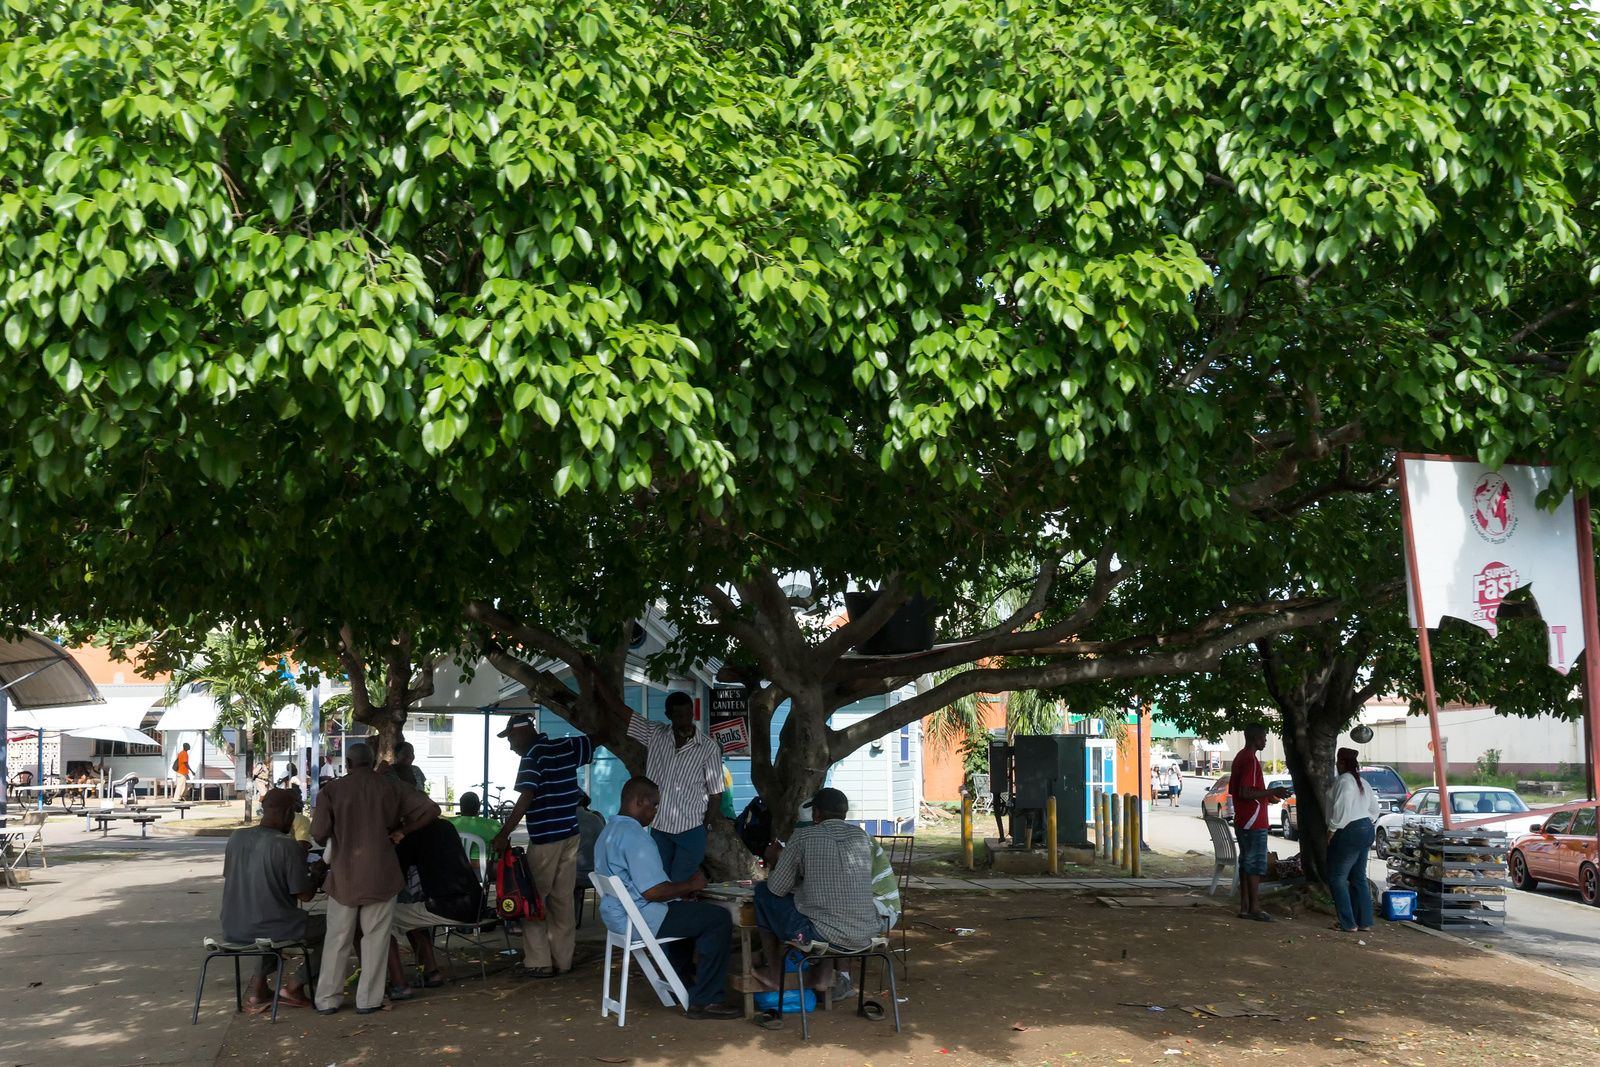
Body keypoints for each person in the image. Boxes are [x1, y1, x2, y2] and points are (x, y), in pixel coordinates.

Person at [593, 777, 741, 1019]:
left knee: (687, 913)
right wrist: (691, 884)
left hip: (619, 917)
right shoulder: (635, 836)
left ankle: (682, 986)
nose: (655, 813)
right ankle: (707, 1001)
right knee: (718, 919)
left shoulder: (608, 831)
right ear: (640, 801)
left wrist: (681, 891)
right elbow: (653, 892)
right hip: (641, 917)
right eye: (654, 805)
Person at [310, 742, 440, 1015]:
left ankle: (327, 1000)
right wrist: (402, 831)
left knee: (338, 939)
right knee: (376, 938)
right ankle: (368, 1000)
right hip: (382, 873)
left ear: (347, 763)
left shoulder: (331, 790)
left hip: (344, 876)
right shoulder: (392, 787)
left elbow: (319, 835)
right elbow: (431, 810)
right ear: (371, 762)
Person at [489, 712, 596, 979]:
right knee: (562, 902)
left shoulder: (532, 757)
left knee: (530, 901)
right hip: (570, 835)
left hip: (546, 838)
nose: (510, 746)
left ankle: (539, 962)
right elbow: (597, 739)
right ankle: (563, 961)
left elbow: (526, 797)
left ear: (522, 733)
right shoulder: (566, 746)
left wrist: (504, 833)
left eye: (510, 739)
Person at [752, 788, 881, 994]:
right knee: (823, 910)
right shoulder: (861, 837)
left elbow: (777, 889)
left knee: (763, 893)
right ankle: (821, 979)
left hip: (824, 934)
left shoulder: (804, 835)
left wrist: (775, 861)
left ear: (816, 813)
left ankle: (775, 973)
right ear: (845, 814)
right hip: (866, 933)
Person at [220, 788, 324, 1011]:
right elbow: (305, 895)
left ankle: (259, 990)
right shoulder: (287, 845)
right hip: (271, 927)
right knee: (339, 926)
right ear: (288, 813)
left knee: (267, 916)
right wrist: (315, 874)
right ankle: (295, 985)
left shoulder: (236, 837)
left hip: (233, 927)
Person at [604, 691, 723, 881]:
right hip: (660, 827)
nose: (685, 720)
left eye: (688, 714)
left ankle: (682, 910)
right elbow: (621, 710)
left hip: (691, 829)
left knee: (681, 881)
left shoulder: (708, 748)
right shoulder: (655, 734)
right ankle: (667, 912)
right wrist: (593, 671)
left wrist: (704, 827)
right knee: (660, 880)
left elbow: (716, 794)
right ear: (668, 716)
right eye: (678, 715)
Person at [384, 817, 483, 999]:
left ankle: (399, 984)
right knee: (412, 909)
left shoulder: (411, 834)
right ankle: (431, 972)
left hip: (449, 907)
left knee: (380, 919)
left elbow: (396, 875)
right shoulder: (445, 825)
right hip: (475, 903)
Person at [1228, 724, 1292, 923]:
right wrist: (1272, 792)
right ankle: (1254, 907)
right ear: (1255, 738)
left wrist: (1267, 797)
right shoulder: (1250, 760)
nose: (1265, 741)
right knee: (1255, 863)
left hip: (1244, 818)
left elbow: (1237, 790)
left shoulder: (1240, 757)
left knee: (1246, 862)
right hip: (1254, 819)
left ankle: (1246, 907)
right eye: (1263, 738)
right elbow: (1244, 792)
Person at [1326, 747, 1381, 933]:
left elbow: (1342, 808)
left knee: (1337, 879)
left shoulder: (1344, 781)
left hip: (1348, 830)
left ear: (1341, 763)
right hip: (1366, 828)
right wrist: (1365, 821)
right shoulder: (1362, 782)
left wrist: (1332, 829)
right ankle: (1365, 922)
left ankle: (1348, 923)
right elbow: (1375, 810)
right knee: (1358, 877)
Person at [446, 791, 503, 867]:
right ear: (479, 807)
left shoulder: (448, 823)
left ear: (461, 807)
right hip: (483, 865)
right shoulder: (493, 824)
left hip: (454, 864)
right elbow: (501, 846)